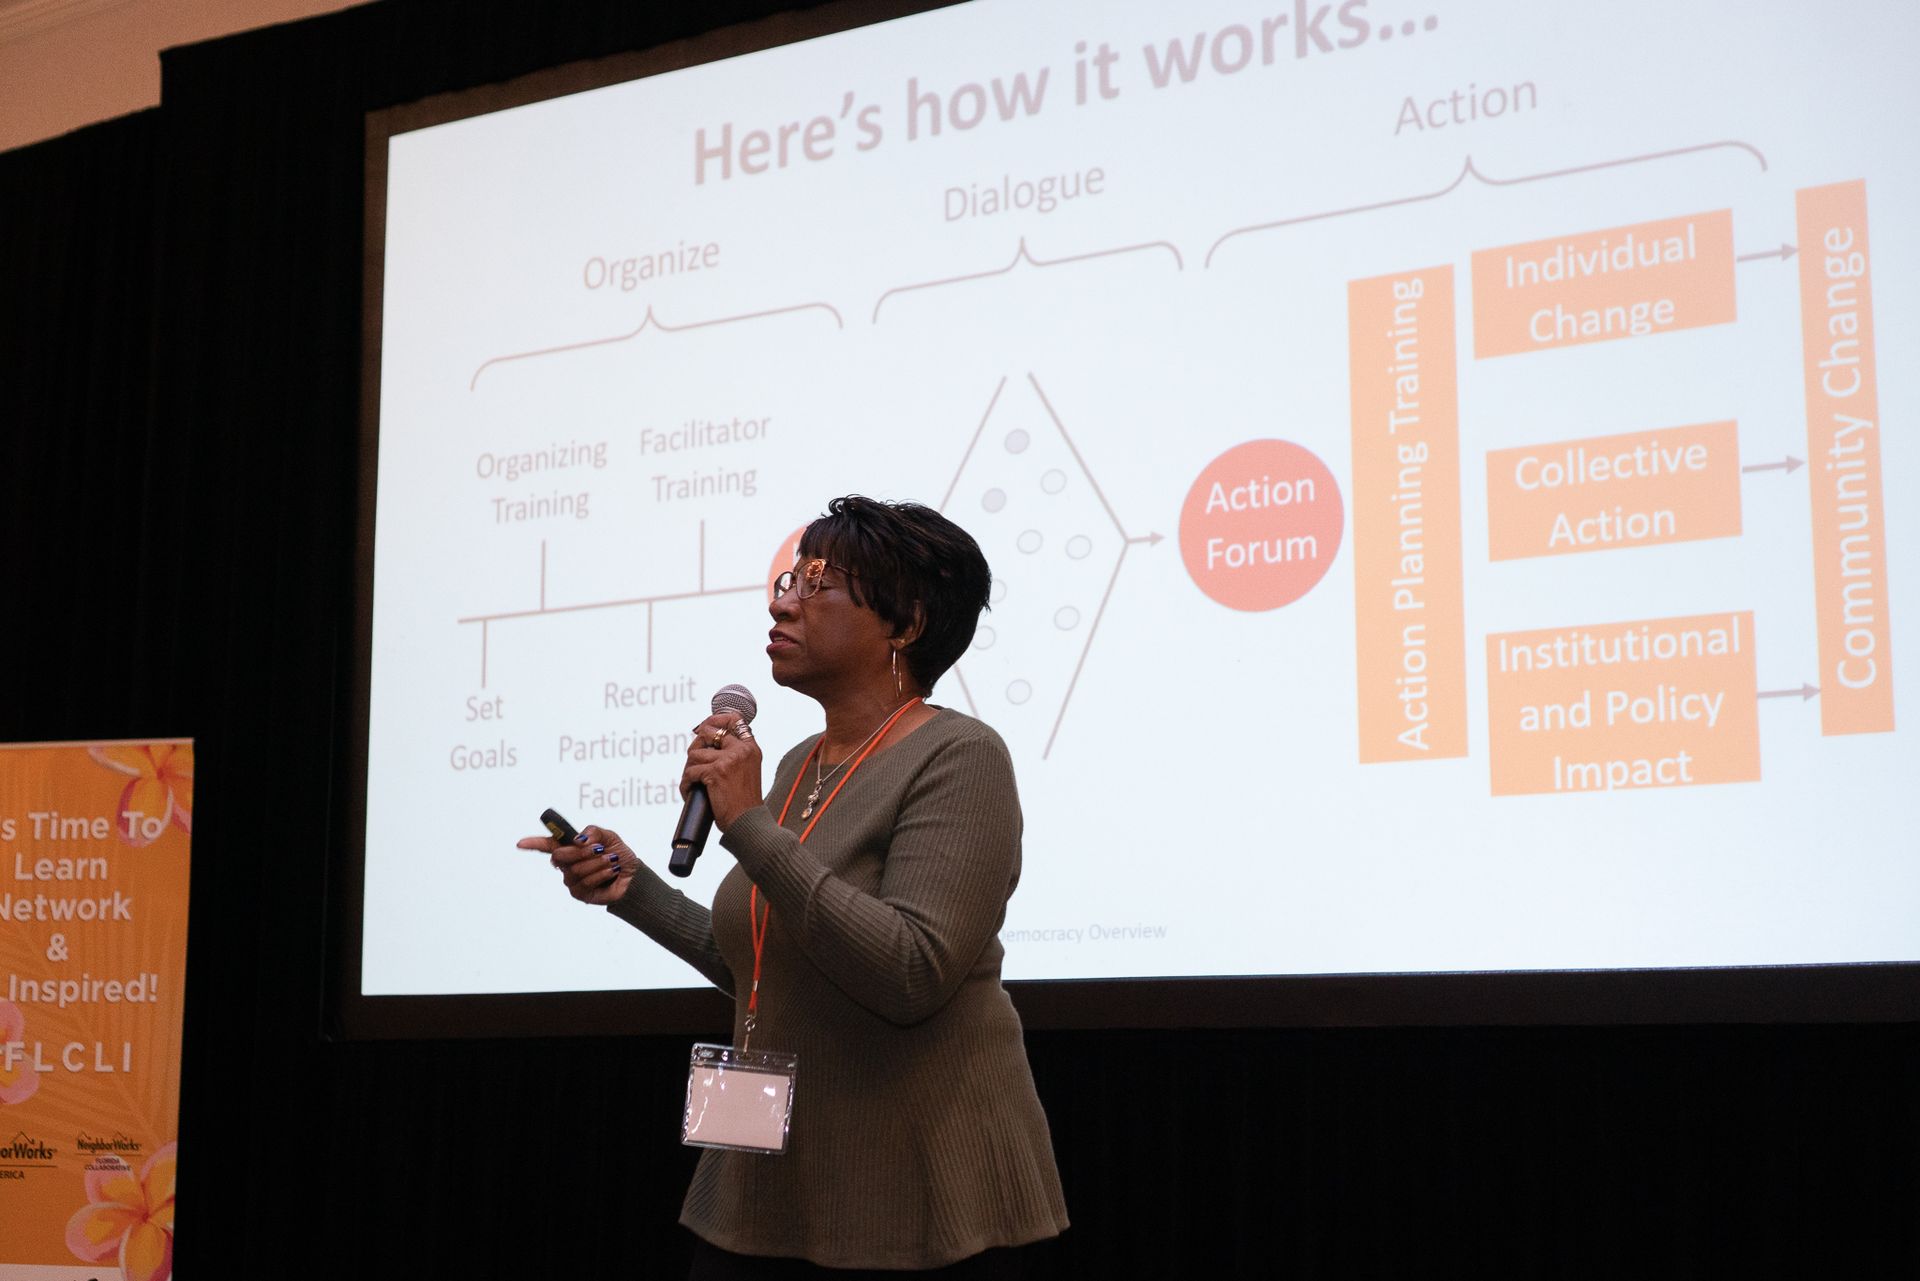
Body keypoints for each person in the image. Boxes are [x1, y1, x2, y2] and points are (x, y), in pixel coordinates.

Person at [520, 496, 1069, 1277]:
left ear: (907, 624)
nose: (782, 603)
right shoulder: (798, 764)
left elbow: (911, 970)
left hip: (910, 1195)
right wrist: (631, 886)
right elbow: (767, 958)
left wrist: (748, 823)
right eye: (789, 580)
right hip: (767, 1181)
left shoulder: (961, 756)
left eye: (818, 584)